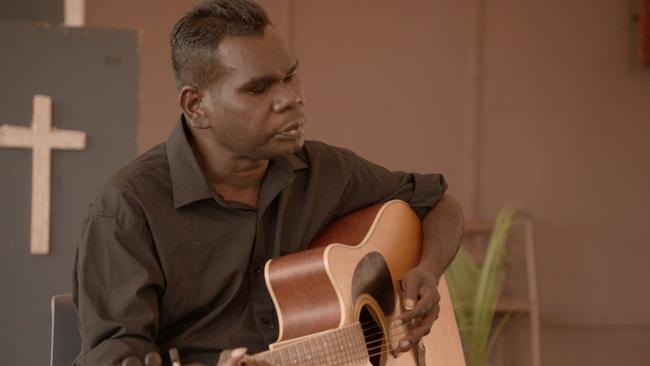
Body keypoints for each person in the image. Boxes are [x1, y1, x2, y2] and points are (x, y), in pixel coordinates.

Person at [73, 0, 464, 365]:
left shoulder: (326, 171)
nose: (289, 99)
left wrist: (428, 270)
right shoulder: (127, 211)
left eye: (290, 76)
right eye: (259, 89)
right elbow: (116, 352)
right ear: (196, 106)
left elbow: (438, 203)